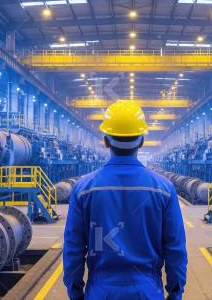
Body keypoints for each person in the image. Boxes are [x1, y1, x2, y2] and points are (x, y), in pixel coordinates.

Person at [62, 100, 188, 299]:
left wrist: (75, 292)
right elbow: (175, 249)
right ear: (142, 141)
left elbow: (74, 249)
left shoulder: (84, 189)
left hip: (100, 291)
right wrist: (175, 292)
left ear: (105, 141)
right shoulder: (164, 189)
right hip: (147, 290)